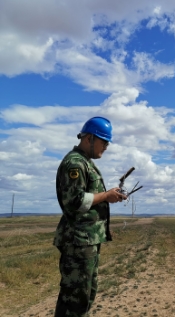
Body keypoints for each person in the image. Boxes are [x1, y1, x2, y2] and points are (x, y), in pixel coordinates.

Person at [53, 116, 127, 316]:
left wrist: (108, 195)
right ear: (89, 139)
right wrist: (106, 195)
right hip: (78, 241)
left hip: (86, 240)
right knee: (76, 298)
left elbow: (88, 196)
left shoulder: (85, 162)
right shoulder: (75, 164)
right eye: (104, 142)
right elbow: (75, 201)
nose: (106, 147)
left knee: (83, 294)